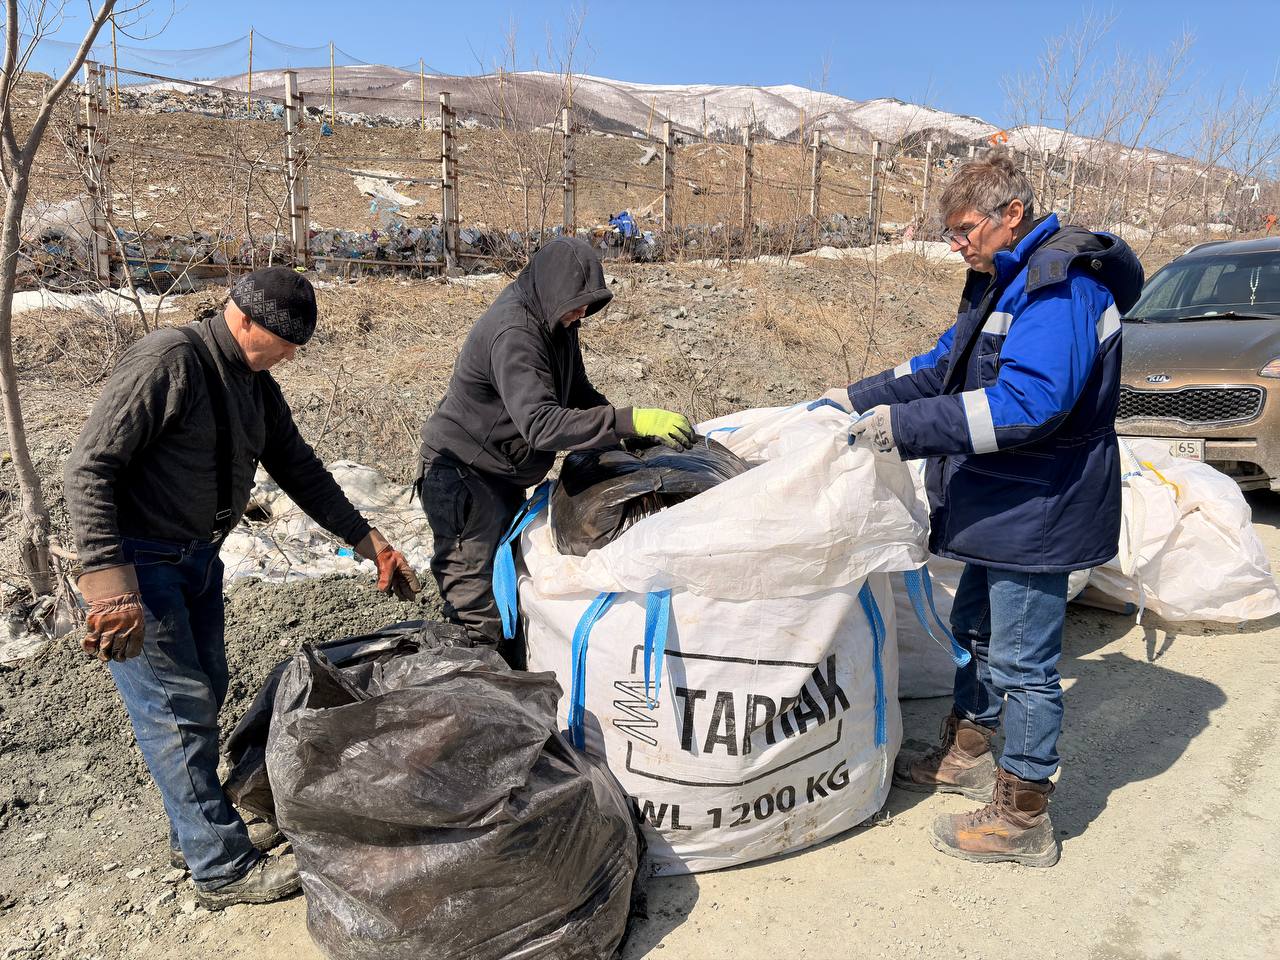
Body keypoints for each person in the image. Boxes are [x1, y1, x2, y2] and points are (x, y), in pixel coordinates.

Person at [823, 149, 1144, 867]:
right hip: (1000, 501)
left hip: (1041, 502)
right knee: (974, 629)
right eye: (951, 232)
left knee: (1024, 661)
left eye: (965, 229)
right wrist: (852, 399)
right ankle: (967, 752)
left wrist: (904, 430)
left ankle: (1024, 813)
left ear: (1012, 215)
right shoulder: (1002, 280)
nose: (955, 244)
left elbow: (1028, 404)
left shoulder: (1059, 289)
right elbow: (941, 368)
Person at [64, 267, 421, 908]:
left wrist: (372, 543)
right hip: (141, 568)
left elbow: (301, 471)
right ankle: (221, 867)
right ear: (245, 319)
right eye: (284, 343)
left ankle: (195, 831)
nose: (290, 356)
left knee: (204, 691)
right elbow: (89, 468)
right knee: (176, 711)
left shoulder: (254, 385)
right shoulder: (169, 361)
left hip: (199, 561)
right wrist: (108, 585)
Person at [418, 237, 693, 666]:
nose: (581, 314)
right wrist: (627, 419)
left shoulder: (557, 321)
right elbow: (541, 424)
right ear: (553, 289)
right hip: (463, 477)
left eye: (587, 306)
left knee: (507, 590)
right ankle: (466, 694)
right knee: (476, 613)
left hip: (501, 471)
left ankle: (507, 680)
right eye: (576, 305)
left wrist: (624, 435)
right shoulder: (515, 334)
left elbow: (576, 392)